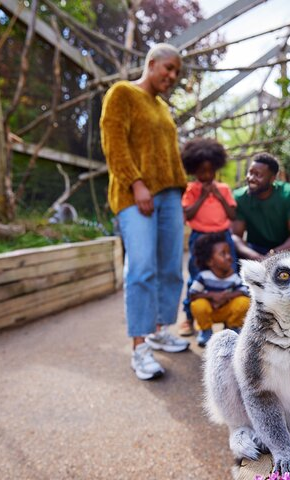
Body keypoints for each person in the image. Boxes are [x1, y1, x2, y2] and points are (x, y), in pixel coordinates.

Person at [100, 43, 190, 381]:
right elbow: (114, 142)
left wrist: (179, 190)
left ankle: (158, 330)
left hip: (168, 197)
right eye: (168, 68)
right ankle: (139, 348)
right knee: (141, 268)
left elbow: (169, 156)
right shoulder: (122, 93)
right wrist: (136, 183)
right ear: (151, 63)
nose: (172, 76)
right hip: (134, 193)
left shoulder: (162, 109)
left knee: (170, 268)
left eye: (177, 72)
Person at [178, 137, 238, 336]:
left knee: (229, 273)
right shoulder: (191, 190)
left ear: (216, 168)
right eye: (201, 171)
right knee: (196, 276)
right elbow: (188, 214)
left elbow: (232, 215)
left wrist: (218, 196)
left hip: (223, 237)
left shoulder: (223, 189)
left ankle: (231, 319)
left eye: (210, 171)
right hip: (200, 238)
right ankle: (189, 317)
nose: (206, 175)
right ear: (193, 170)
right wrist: (203, 195)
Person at [231, 152, 290, 260]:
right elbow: (235, 236)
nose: (251, 178)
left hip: (288, 251)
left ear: (273, 179)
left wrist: (272, 255)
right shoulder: (240, 197)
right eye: (250, 173)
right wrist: (256, 257)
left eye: (258, 175)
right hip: (255, 251)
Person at [188, 232, 250, 347]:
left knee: (244, 302)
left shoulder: (233, 276)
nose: (229, 257)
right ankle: (206, 331)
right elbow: (192, 294)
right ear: (210, 262)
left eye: (229, 252)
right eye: (223, 254)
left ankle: (232, 328)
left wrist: (225, 296)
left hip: (226, 311)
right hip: (210, 312)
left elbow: (245, 291)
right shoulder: (204, 276)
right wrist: (211, 295)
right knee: (198, 304)